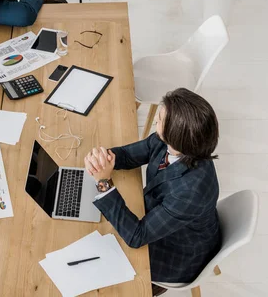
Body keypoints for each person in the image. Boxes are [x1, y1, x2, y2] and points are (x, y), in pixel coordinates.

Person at [84, 88, 221, 296]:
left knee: (99, 271)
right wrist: (104, 159)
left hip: (176, 254)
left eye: (159, 120)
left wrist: (104, 182)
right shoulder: (170, 141)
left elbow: (136, 237)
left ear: (177, 135)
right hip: (166, 220)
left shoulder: (191, 192)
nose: (155, 121)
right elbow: (133, 155)